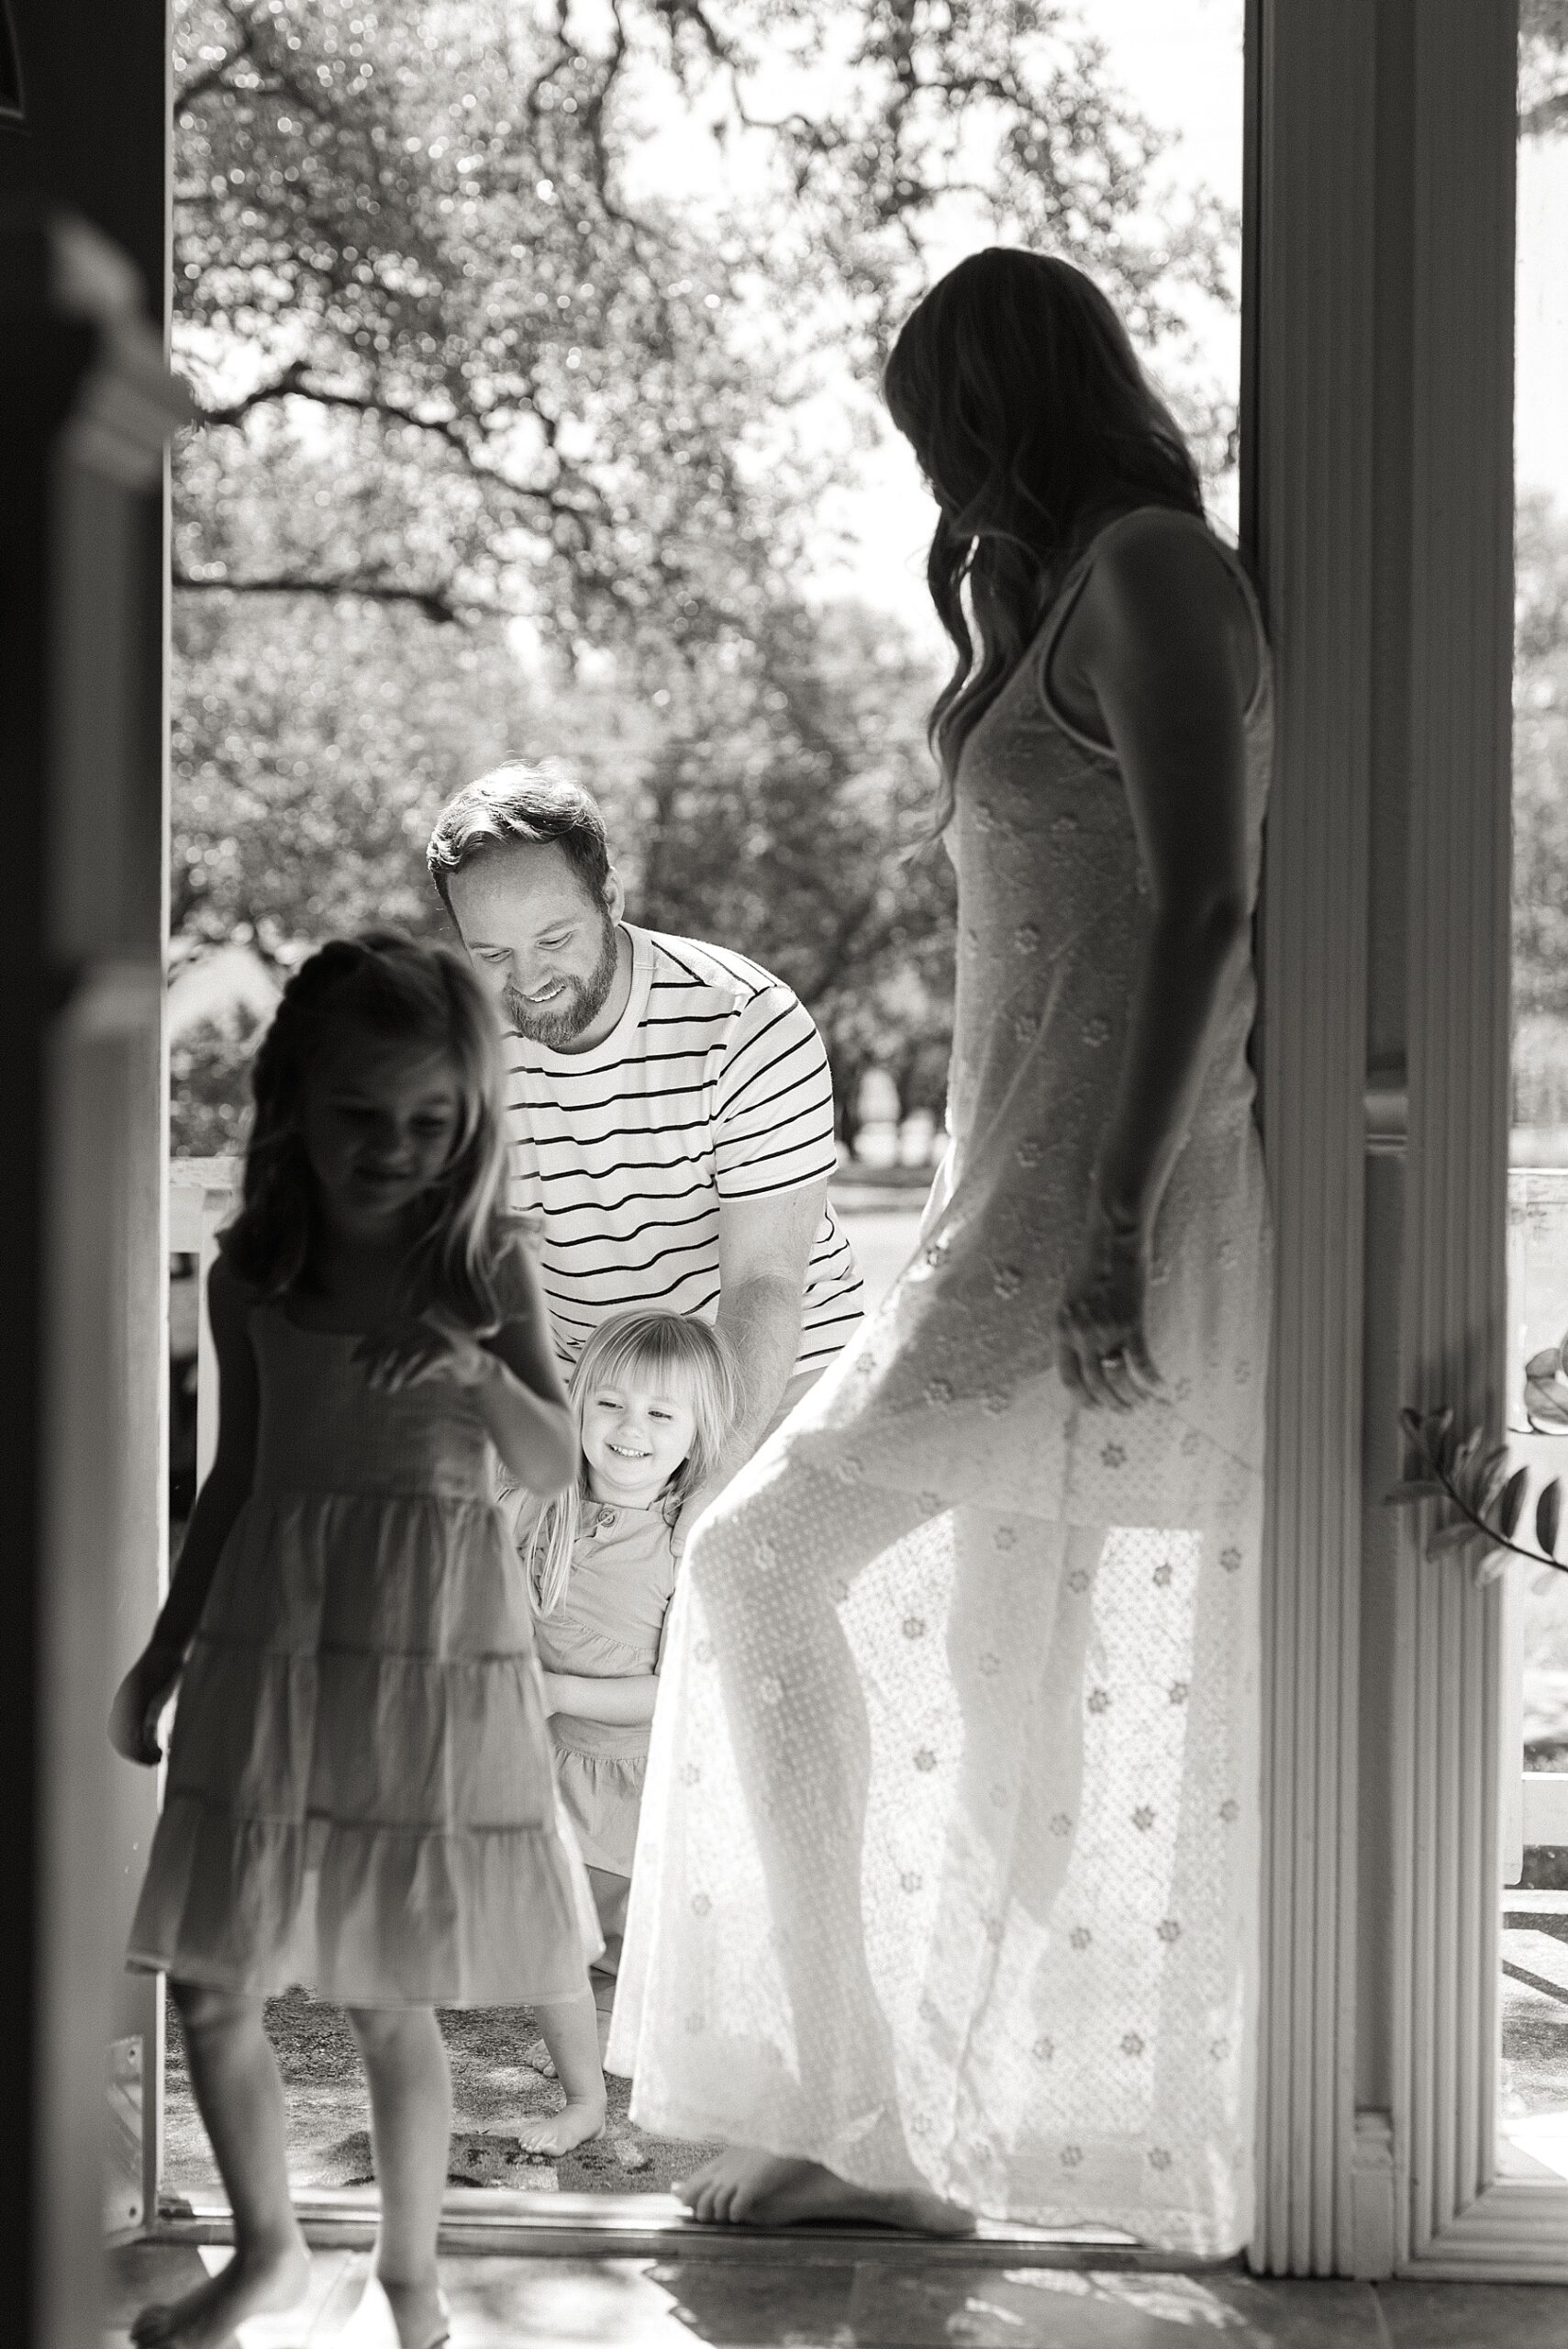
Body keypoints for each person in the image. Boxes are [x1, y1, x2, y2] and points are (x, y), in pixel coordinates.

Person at [607, 249, 1273, 2255]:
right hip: (1010, 1204)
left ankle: (878, 2117)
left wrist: (1109, 1220)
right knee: (999, 1672)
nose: (929, 471)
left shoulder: (1149, 568)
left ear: (1003, 407)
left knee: (755, 1562)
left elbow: (1202, 906)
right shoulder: (1059, 593)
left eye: (938, 428)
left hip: (1091, 1214)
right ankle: (906, 2127)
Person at [109, 936, 601, 2349]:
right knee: (213, 1986)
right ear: (293, 1104)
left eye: (430, 1120)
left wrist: (466, 1361)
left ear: (471, 1116)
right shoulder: (255, 1270)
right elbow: (236, 1478)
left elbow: (554, 1462)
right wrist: (163, 1652)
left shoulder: (484, 1260)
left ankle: (410, 2282)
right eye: (358, 1114)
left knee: (391, 1997)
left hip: (423, 1652)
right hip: (270, 1639)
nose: (394, 1147)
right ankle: (265, 2254)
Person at [425, 769, 863, 1539]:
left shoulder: (745, 1021)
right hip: (593, 1405)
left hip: (772, 1382)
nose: (527, 980)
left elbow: (764, 1280)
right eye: (490, 953)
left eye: (553, 940)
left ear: (611, 897)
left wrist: (711, 1479)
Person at [515, 1311, 742, 2083]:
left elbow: (682, 1689)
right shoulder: (539, 1509)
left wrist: (557, 1690)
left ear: (698, 1436)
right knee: (558, 1906)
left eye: (660, 1413)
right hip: (549, 1756)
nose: (630, 1427)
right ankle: (584, 2000)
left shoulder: (688, 1542)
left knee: (631, 1919)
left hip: (635, 1773)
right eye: (609, 1403)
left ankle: (628, 2015)